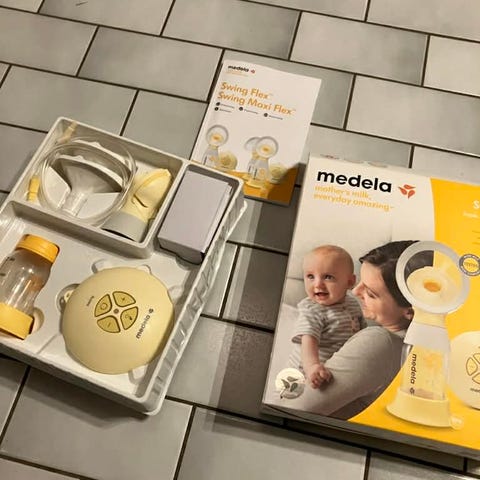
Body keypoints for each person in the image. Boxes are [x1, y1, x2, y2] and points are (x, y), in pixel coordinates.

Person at [279, 240, 427, 420]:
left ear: (410, 311)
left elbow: (290, 411)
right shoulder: (416, 351)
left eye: (371, 293)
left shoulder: (379, 342)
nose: (356, 291)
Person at [289, 245, 365, 389]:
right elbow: (308, 341)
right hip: (306, 374)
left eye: (328, 277)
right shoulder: (311, 310)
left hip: (337, 369)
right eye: (310, 276)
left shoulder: (353, 304)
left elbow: (362, 334)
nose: (318, 284)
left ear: (349, 282)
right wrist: (312, 367)